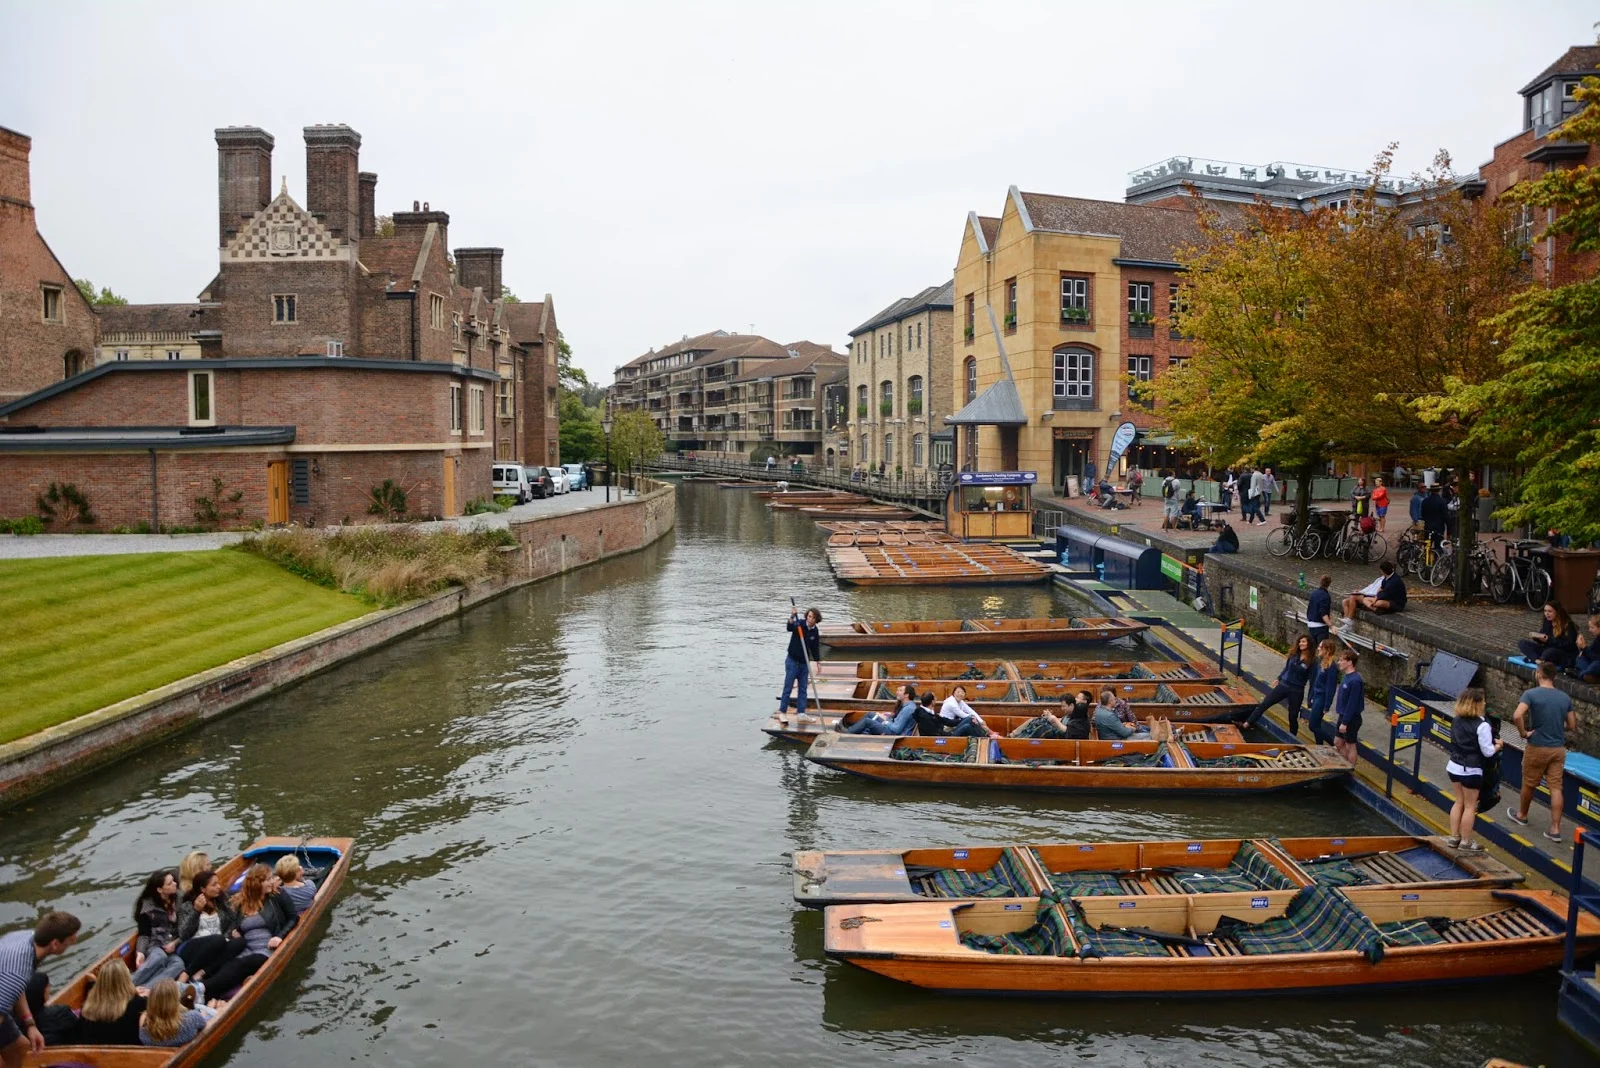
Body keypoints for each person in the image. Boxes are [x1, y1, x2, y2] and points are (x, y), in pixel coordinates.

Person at [200, 864, 299, 1004]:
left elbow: (293, 917)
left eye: (271, 878)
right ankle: (205, 996)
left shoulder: (277, 895)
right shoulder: (242, 902)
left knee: (243, 964)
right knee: (229, 965)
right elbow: (231, 923)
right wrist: (235, 931)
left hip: (267, 949)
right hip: (246, 947)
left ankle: (202, 988)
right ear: (257, 883)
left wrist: (279, 936)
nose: (272, 882)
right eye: (268, 879)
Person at [1507, 662, 1577, 843]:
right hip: (1558, 749)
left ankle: (1522, 815)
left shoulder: (1531, 694)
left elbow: (1517, 715)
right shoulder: (1564, 698)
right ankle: (1555, 829)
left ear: (1539, 674)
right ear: (1554, 677)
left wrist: (1523, 733)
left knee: (1529, 783)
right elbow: (1571, 725)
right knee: (1556, 787)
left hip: (1537, 747)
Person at [0, 911, 79, 1068]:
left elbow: (17, 988)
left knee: (20, 1047)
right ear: (55, 944)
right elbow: (15, 981)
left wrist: (30, 1024)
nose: (72, 944)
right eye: (70, 941)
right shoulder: (17, 972)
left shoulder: (27, 938)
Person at [1445, 687, 1501, 852]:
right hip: (1471, 770)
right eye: (1482, 701)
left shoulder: (1456, 720)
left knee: (1458, 802)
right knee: (1470, 806)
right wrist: (1498, 746)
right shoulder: (1482, 725)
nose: (1485, 703)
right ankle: (1466, 842)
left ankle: (1454, 837)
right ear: (1476, 704)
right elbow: (1488, 752)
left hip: (1454, 766)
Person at [176, 870, 246, 983]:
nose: (219, 887)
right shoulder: (187, 906)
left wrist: (228, 935)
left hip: (219, 943)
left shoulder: (220, 901)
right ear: (203, 889)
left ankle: (203, 972)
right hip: (193, 947)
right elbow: (184, 934)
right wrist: (196, 911)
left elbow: (234, 919)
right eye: (214, 885)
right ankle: (186, 974)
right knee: (217, 939)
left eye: (218, 883)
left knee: (240, 942)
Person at [1245, 635, 1313, 733]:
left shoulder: (1312, 661)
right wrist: (1279, 678)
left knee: (1293, 716)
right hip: (1284, 685)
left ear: (1309, 644)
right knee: (1265, 703)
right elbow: (1286, 668)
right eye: (1300, 642)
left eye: (1303, 642)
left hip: (1297, 690)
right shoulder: (1294, 655)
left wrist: (1310, 698)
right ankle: (1246, 723)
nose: (1300, 644)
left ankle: (1292, 737)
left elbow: (1313, 680)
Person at [131, 868, 187, 987]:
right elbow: (144, 934)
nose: (175, 884)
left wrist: (176, 943)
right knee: (159, 957)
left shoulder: (180, 898)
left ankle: (145, 990)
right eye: (170, 883)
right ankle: (127, 986)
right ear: (160, 889)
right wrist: (140, 952)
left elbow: (186, 928)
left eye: (173, 881)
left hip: (172, 945)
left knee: (178, 965)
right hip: (154, 945)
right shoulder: (147, 906)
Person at [78, 958, 146, 1046]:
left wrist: (91, 983)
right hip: (128, 1054)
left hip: (93, 1055)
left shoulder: (87, 1008)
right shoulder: (139, 1004)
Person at [139, 978, 216, 1048]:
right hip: (190, 1046)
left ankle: (197, 993)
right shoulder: (192, 1018)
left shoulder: (144, 1026)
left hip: (165, 1054)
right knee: (208, 1011)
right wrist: (211, 1008)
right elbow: (205, 1024)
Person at [777, 606, 822, 718]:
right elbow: (789, 627)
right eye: (809, 616)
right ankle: (782, 712)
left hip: (804, 663)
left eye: (813, 618)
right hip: (792, 661)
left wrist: (818, 661)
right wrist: (792, 615)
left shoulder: (815, 631)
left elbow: (815, 647)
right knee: (788, 687)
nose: (810, 619)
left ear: (816, 620)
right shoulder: (799, 624)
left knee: (803, 688)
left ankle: (801, 713)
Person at [23, 972, 78, 1048]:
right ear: (42, 992)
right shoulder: (61, 1012)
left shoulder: (15, 1021)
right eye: (48, 985)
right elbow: (80, 1031)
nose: (50, 986)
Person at [1517, 602, 1579, 668]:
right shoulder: (1547, 622)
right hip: (1547, 649)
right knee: (1522, 643)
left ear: (1557, 612)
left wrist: (1549, 640)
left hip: (1562, 652)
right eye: (1545, 611)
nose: (1546, 613)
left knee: (1549, 652)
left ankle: (1534, 659)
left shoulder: (1568, 625)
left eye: (1550, 611)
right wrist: (1537, 637)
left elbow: (1569, 645)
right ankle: (1538, 661)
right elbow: (1543, 639)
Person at [1342, 561, 1406, 622]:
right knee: (1345, 601)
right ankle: (1347, 621)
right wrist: (1361, 591)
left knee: (1377, 602)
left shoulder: (1393, 582)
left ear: (1383, 571)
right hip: (1375, 596)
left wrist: (1374, 598)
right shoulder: (1385, 578)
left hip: (1394, 602)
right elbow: (1378, 589)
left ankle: (1372, 609)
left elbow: (1383, 594)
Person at [1305, 638, 1341, 745]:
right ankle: (1319, 745)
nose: (1318, 649)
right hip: (1316, 695)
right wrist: (1310, 696)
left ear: (1327, 650)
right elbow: (1315, 681)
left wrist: (1327, 705)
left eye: (1321, 647)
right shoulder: (1320, 662)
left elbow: (1331, 687)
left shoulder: (1332, 667)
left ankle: (1332, 744)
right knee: (1316, 724)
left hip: (1322, 698)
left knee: (1312, 725)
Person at [846, 683, 918, 735]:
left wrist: (886, 722)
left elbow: (897, 730)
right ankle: (853, 729)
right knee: (870, 714)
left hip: (892, 733)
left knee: (867, 721)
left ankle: (847, 733)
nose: (897, 692)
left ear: (906, 695)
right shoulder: (906, 706)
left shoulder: (908, 709)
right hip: (891, 726)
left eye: (900, 690)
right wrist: (887, 718)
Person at [1333, 649, 1364, 766]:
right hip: (1343, 715)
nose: (1339, 662)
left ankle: (1350, 769)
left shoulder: (1355, 681)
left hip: (1351, 718)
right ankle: (1344, 765)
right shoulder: (1346, 677)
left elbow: (1352, 703)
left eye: (1341, 660)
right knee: (1338, 742)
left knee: (1350, 745)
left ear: (1350, 662)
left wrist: (1345, 722)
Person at [1305, 574, 1333, 647]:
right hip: (1321, 628)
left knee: (1312, 650)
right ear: (1329, 584)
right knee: (1322, 650)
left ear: (1320, 582)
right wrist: (1331, 625)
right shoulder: (1326, 596)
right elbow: (1323, 613)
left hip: (1311, 625)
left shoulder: (1314, 593)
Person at [1575, 615, 1600, 683]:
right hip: (1592, 663)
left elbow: (1597, 658)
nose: (1589, 630)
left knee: (1595, 665)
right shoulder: (1597, 638)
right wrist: (1581, 647)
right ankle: (1589, 676)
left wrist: (1584, 647)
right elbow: (1590, 652)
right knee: (1580, 658)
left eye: (1592, 627)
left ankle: (1582, 674)